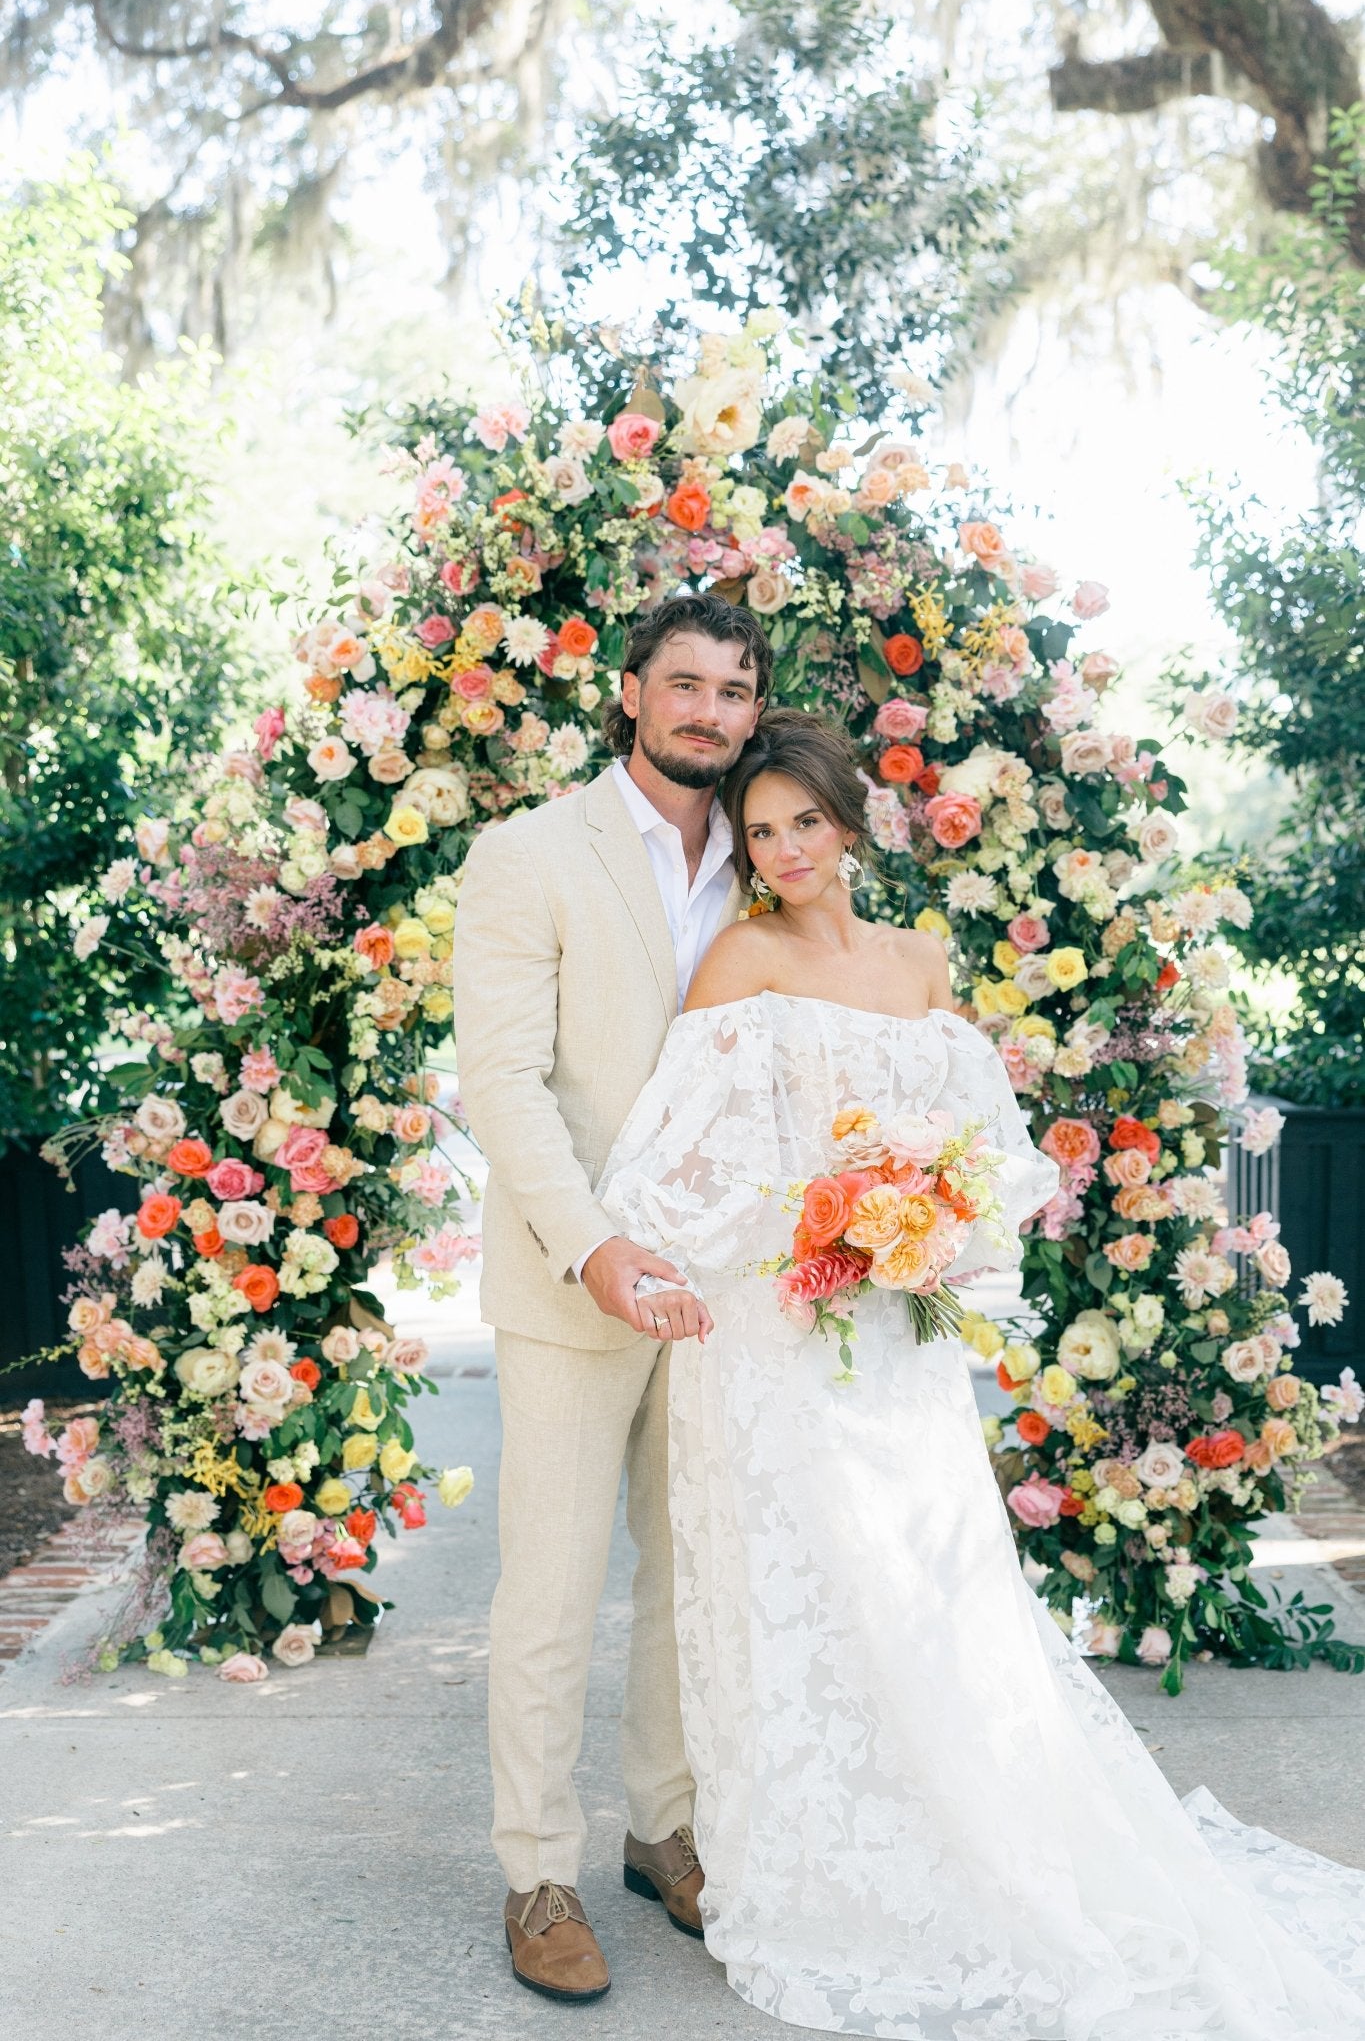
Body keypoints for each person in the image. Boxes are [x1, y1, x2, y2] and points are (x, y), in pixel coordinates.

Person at [598, 709, 1365, 2040]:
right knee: (814, 1594)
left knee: (930, 1595)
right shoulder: (734, 961)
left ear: (849, 825)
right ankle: (825, 1869)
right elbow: (672, 1165)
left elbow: (989, 1151)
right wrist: (818, 1217)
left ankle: (976, 1835)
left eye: (805, 823)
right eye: (760, 831)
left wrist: (928, 1220)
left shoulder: (920, 961)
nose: (783, 851)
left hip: (897, 1337)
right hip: (780, 1341)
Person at [450, 591, 768, 2004]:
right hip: (573, 1277)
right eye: (685, 683)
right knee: (554, 1587)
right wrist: (591, 1246)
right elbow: (504, 1083)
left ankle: (666, 1830)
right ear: (630, 691)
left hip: (723, 1288)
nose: (709, 710)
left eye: (735, 689)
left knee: (690, 1576)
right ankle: (536, 1870)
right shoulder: (529, 854)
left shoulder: (769, 860)